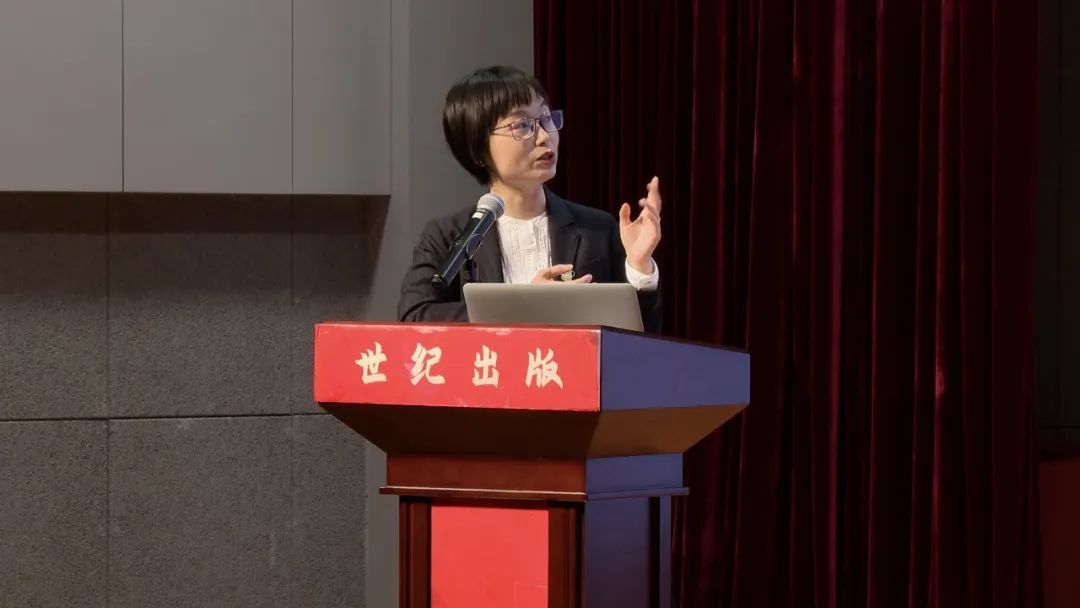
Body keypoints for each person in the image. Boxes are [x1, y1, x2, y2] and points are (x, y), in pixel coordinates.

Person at [396, 65, 664, 332]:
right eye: (522, 125)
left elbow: (642, 336)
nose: (545, 137)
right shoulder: (447, 235)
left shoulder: (597, 228)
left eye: (546, 119)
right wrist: (523, 307)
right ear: (478, 149)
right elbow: (415, 316)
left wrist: (639, 267)